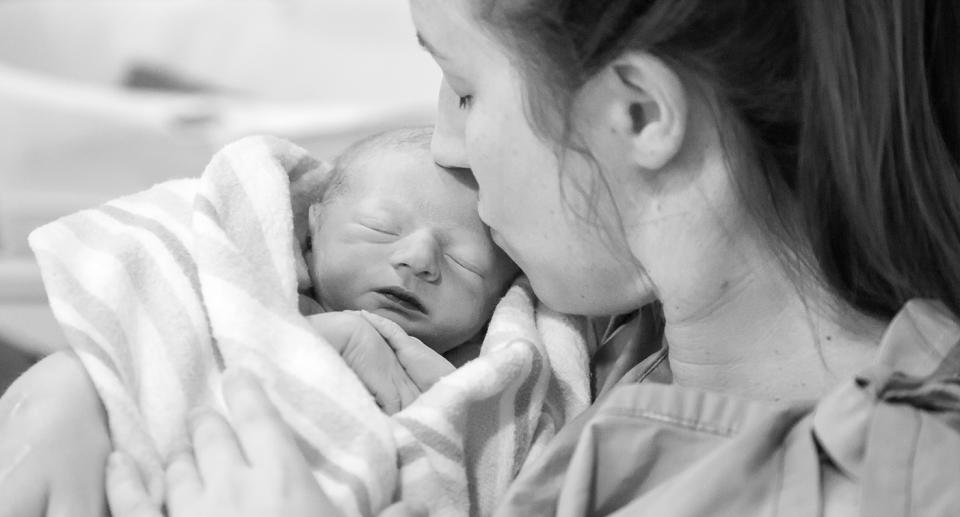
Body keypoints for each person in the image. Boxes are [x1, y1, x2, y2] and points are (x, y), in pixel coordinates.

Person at [15, 0, 960, 515]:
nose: (443, 147)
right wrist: (100, 380)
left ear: (639, 115)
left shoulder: (886, 479)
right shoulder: (600, 327)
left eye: (463, 91)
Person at [300, 126, 518, 362]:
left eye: (464, 262)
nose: (419, 259)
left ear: (495, 308)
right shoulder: (269, 311)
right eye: (380, 227)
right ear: (315, 225)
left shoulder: (485, 380)